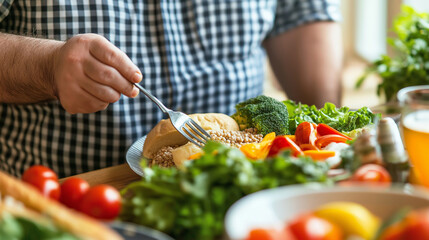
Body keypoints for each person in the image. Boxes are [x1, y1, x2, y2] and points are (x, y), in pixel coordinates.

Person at [0, 1, 342, 178]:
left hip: (244, 192)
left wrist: (323, 142)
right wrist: (47, 67)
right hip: (76, 193)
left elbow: (302, 13)